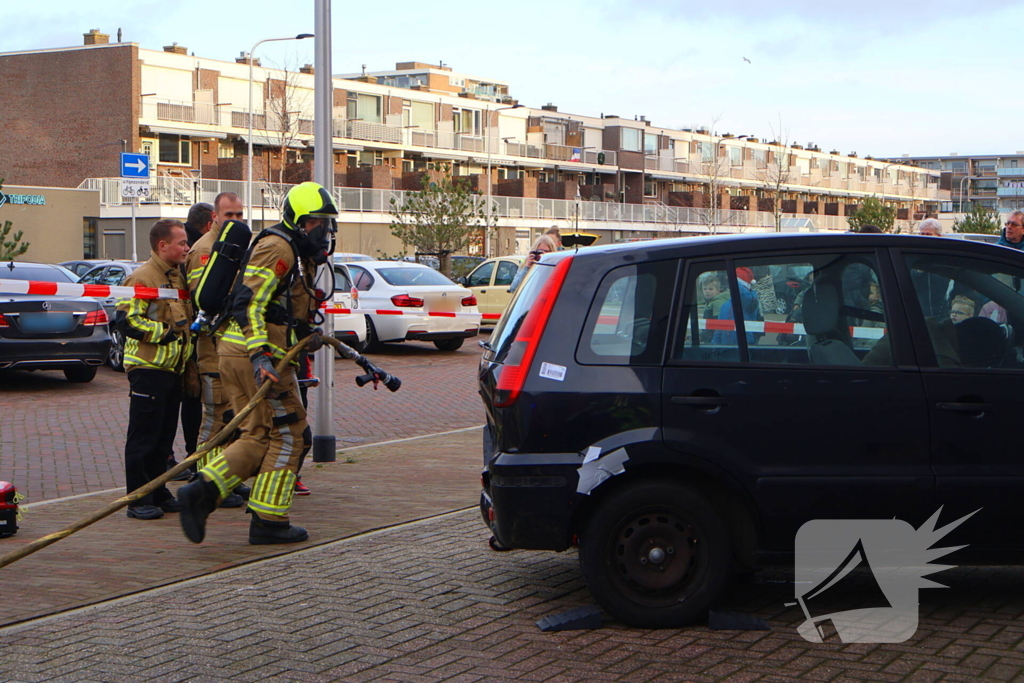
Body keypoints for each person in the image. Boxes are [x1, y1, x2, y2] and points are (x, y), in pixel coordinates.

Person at [177, 182, 337, 545]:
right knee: (290, 433)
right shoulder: (278, 248)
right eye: (317, 223)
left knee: (260, 433)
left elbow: (283, 310)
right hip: (254, 356)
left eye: (327, 224)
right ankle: (262, 517)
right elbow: (248, 302)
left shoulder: (294, 250)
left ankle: (213, 495)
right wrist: (260, 355)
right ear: (298, 221)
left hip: (246, 354)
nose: (324, 232)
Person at [115, 220, 193, 520]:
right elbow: (127, 321)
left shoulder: (176, 277)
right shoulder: (143, 278)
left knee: (163, 437)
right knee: (144, 436)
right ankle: (138, 498)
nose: (187, 247)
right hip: (149, 369)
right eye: (182, 242)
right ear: (163, 245)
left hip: (173, 370)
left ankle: (159, 491)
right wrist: (166, 333)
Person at [184, 192, 248, 508]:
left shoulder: (233, 248)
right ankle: (204, 482)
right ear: (214, 218)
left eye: (239, 216)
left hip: (233, 350)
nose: (235, 221)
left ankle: (223, 479)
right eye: (229, 216)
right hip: (213, 351)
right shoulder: (206, 252)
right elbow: (204, 302)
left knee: (231, 419)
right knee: (213, 420)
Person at [174, 202, 216, 480]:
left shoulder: (185, 247)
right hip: (189, 339)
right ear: (209, 224)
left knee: (186, 402)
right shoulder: (200, 249)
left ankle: (189, 459)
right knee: (193, 400)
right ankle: (194, 459)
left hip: (183, 340)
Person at [713, 267, 762, 345]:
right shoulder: (725, 305)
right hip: (726, 349)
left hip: (745, 346)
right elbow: (718, 331)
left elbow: (744, 295)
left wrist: (733, 280)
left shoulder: (751, 300)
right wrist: (714, 347)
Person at [699, 274, 729, 343]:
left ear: (718, 291)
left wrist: (704, 336)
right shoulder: (710, 302)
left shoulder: (717, 303)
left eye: (710, 289)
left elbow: (716, 325)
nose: (707, 291)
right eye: (705, 289)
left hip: (713, 339)